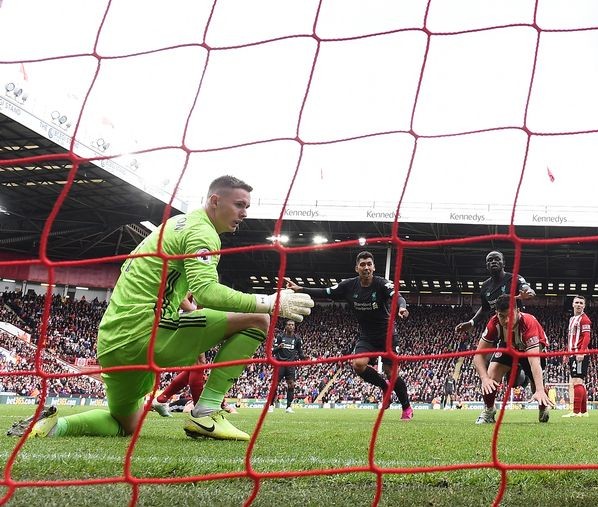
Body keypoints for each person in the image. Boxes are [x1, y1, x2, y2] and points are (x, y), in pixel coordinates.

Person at [8, 175, 314, 441]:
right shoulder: (202, 232)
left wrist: (184, 304)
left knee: (124, 424)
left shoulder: (174, 224)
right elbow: (207, 293)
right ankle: (205, 413)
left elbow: (156, 273)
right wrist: (271, 302)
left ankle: (51, 427)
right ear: (215, 200)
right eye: (239, 205)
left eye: (247, 206)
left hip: (114, 342)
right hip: (147, 335)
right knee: (258, 319)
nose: (245, 213)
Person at [285, 251, 414, 420]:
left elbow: (397, 296)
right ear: (356, 268)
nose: (366, 267)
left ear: (374, 267)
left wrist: (402, 307)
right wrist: (300, 288)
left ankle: (406, 408)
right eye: (362, 264)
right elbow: (325, 292)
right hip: (367, 336)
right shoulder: (348, 286)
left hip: (387, 335)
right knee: (358, 365)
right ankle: (384, 388)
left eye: (369, 264)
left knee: (392, 373)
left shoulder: (382, 283)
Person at [473, 294, 553, 424]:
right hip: (509, 347)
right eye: (502, 316)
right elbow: (478, 356)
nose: (506, 321)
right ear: (496, 313)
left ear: (518, 311)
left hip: (531, 351)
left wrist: (539, 390)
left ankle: (543, 408)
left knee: (536, 383)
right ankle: (489, 410)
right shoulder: (494, 323)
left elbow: (534, 361)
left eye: (510, 315)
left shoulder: (528, 323)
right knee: (491, 376)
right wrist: (484, 379)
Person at [454, 250, 535, 333]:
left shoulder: (515, 279)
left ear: (503, 263)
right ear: (487, 266)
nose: (493, 262)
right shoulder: (485, 286)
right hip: (499, 328)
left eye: (497, 259)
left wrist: (529, 292)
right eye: (490, 260)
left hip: (519, 327)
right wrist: (471, 322)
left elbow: (526, 288)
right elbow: (485, 308)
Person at [562, 295, 592, 418]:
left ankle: (575, 412)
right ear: (573, 304)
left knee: (576, 381)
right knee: (579, 381)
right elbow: (570, 338)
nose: (579, 304)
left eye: (581, 303)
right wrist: (566, 352)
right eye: (577, 302)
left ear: (584, 306)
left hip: (579, 353)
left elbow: (586, 337)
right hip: (572, 353)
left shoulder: (584, 319)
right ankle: (584, 411)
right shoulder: (572, 319)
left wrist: (581, 352)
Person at [269, 319, 308, 414]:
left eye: (292, 325)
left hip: (290, 365)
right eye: (289, 325)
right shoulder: (280, 337)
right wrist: (279, 347)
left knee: (291, 385)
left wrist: (305, 358)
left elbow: (300, 352)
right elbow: (272, 351)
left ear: (294, 327)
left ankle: (289, 406)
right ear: (286, 326)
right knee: (275, 385)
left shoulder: (297, 339)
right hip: (280, 364)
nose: (291, 326)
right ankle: (270, 405)